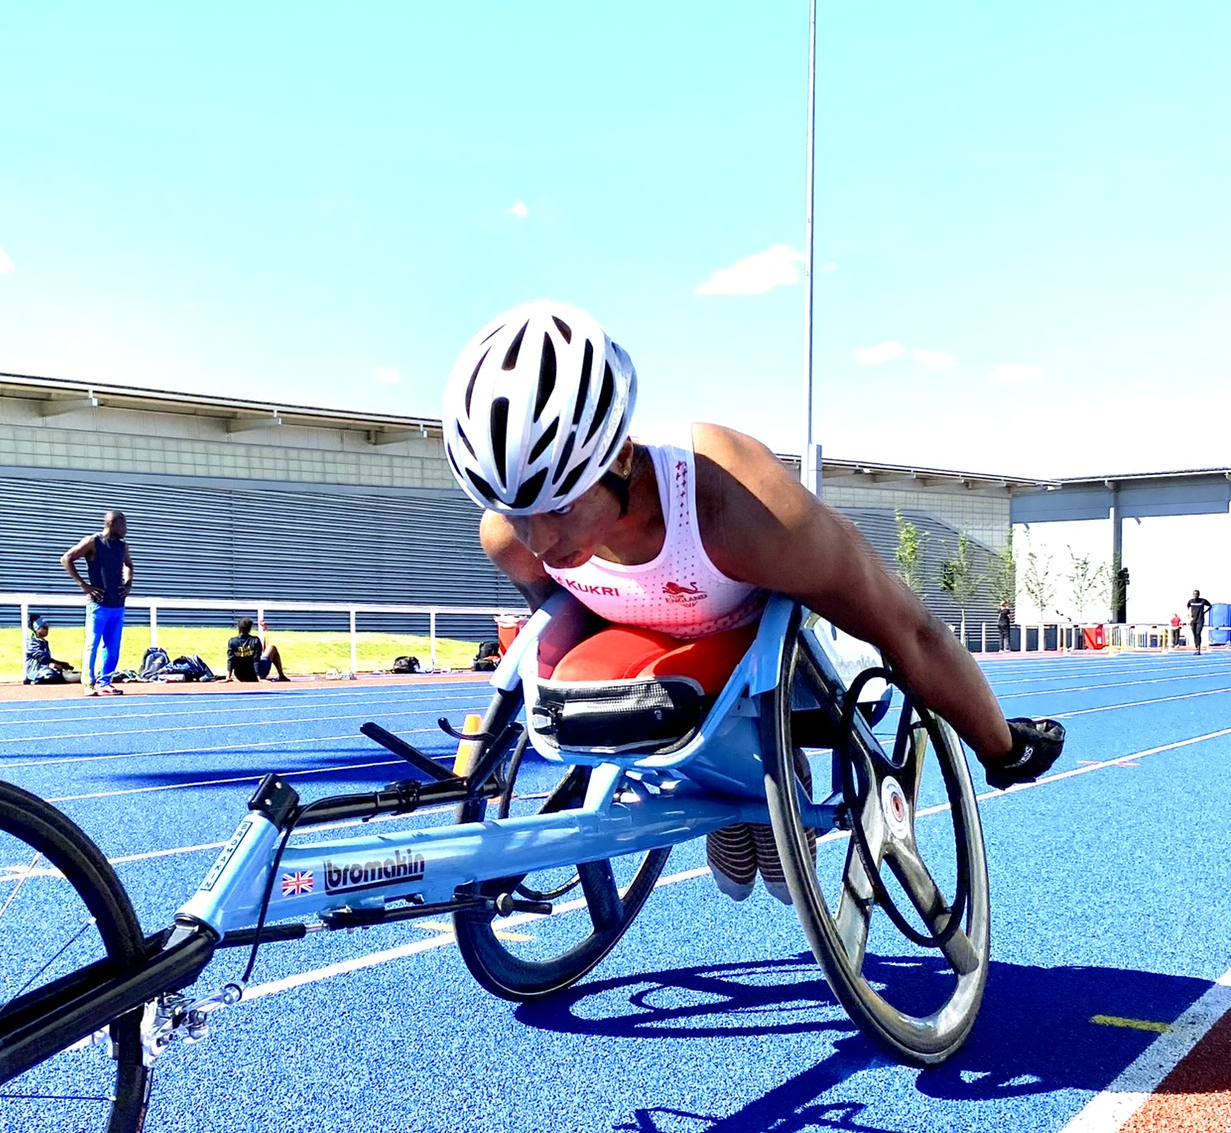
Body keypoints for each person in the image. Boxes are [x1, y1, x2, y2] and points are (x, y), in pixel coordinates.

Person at [442, 299, 1065, 905]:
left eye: (559, 506)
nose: (539, 540)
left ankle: (768, 764)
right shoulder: (510, 541)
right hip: (659, 668)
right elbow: (570, 624)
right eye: (512, 510)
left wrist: (1001, 749)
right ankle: (729, 779)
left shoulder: (744, 508)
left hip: (769, 654)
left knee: (848, 687)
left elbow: (910, 631)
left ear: (622, 458)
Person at [61, 510, 133, 695]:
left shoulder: (122, 546)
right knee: (92, 644)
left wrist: (128, 584)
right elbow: (66, 558)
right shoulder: (93, 541)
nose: (126, 528)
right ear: (112, 524)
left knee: (112, 645)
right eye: (123, 524)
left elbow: (129, 566)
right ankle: (88, 683)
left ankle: (105, 682)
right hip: (98, 604)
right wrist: (83, 585)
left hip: (117, 605)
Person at [226, 616, 288, 683]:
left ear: (238, 628)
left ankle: (279, 675)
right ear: (250, 628)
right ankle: (281, 675)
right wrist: (259, 678)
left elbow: (230, 660)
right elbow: (256, 660)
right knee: (272, 648)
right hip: (256, 674)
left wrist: (228, 677)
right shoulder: (255, 640)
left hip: (240, 676)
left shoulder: (232, 641)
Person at [23, 615, 78, 685]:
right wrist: (55, 665)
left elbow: (48, 659)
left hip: (46, 669)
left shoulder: (44, 642)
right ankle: (35, 679)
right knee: (51, 675)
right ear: (37, 629)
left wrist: (61, 664)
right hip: (36, 671)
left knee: (62, 675)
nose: (47, 629)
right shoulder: (32, 642)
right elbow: (42, 658)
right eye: (44, 627)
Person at [1188, 588, 1211, 655]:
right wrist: (1189, 616)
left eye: (1196, 594)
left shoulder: (1203, 601)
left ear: (1199, 595)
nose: (1195, 595)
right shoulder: (1190, 601)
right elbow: (1187, 608)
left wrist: (1204, 612)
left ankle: (1198, 649)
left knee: (1198, 633)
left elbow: (1210, 606)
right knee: (1194, 634)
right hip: (1193, 620)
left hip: (1200, 619)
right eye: (1194, 594)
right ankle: (1196, 647)